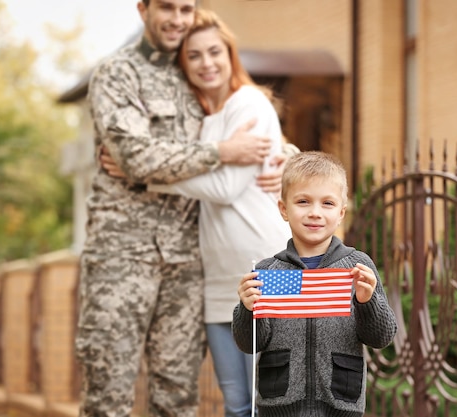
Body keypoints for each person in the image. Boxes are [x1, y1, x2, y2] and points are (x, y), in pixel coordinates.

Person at [74, 1, 291, 417]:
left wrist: (285, 155)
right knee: (109, 389)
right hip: (122, 255)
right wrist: (221, 152)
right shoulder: (118, 74)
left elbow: (243, 131)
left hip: (187, 262)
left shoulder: (194, 75)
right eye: (166, 7)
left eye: (186, 8)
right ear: (143, 9)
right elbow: (136, 157)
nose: (177, 18)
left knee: (176, 395)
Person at [233, 151, 398, 417]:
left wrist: (368, 302)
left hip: (340, 401)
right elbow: (249, 343)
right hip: (279, 404)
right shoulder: (269, 271)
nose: (315, 213)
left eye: (327, 203)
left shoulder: (356, 267)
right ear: (284, 209)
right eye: (303, 201)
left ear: (341, 213)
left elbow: (382, 337)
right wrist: (247, 308)